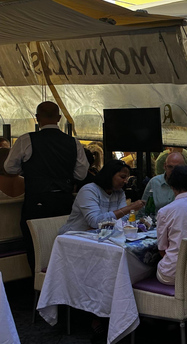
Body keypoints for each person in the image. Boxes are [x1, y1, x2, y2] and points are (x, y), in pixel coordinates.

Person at [4, 101, 89, 268]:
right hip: (64, 201)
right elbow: (81, 174)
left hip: (36, 200)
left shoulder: (26, 139)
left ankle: (38, 284)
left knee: (36, 246)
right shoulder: (73, 142)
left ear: (37, 118)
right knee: (65, 243)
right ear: (58, 118)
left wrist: (28, 170)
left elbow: (9, 167)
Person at [59, 160, 145, 233]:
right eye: (122, 177)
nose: (126, 181)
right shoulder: (89, 190)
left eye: (127, 178)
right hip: (75, 236)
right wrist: (130, 208)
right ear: (109, 175)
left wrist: (104, 225)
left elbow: (124, 218)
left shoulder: (119, 192)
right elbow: (95, 222)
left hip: (99, 235)